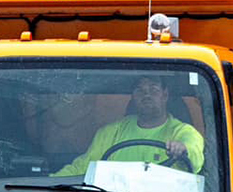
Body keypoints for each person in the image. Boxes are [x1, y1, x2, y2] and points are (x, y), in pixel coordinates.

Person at [56, 74, 205, 176]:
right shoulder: (111, 132)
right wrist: (45, 184)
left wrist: (183, 150)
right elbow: (82, 169)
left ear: (165, 95)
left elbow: (195, 154)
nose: (146, 95)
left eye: (153, 89)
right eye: (140, 90)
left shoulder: (182, 132)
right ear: (133, 96)